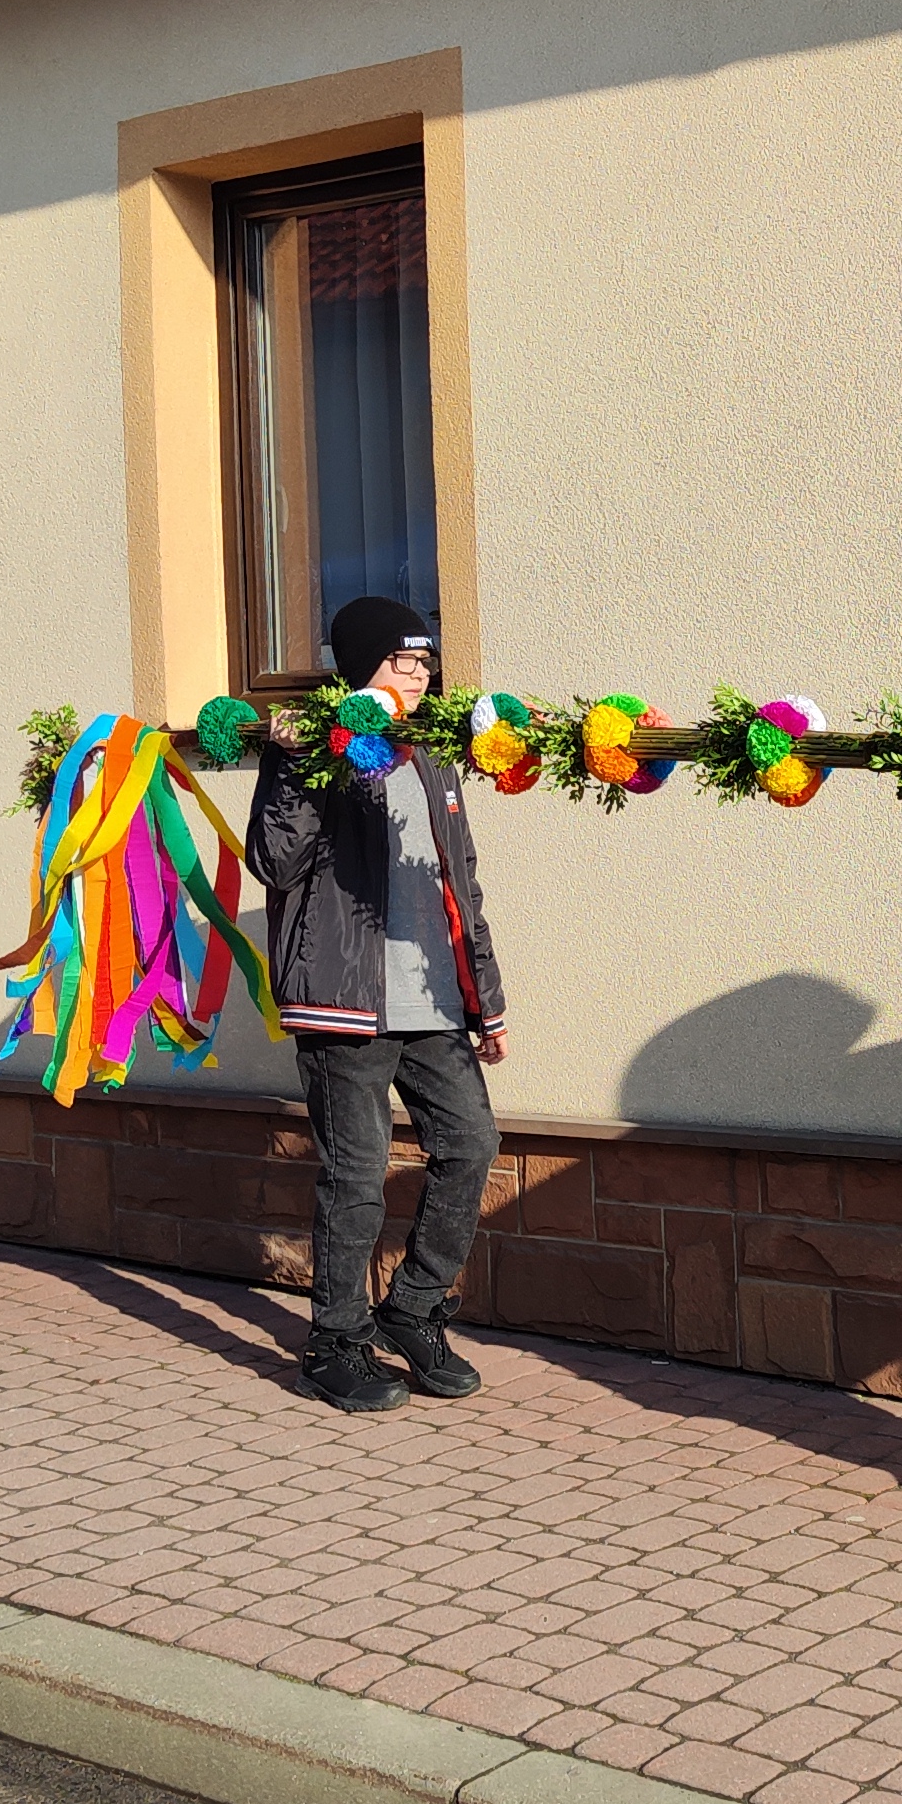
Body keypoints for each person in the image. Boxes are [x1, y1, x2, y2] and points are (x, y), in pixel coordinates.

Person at [244, 594, 507, 1413]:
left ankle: (415, 1309)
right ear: (363, 666)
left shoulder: (432, 759)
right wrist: (292, 766)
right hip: (346, 1005)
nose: (421, 676)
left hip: (431, 1005)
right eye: (404, 661)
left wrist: (486, 1003)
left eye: (427, 663)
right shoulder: (319, 754)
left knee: (471, 1145)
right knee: (357, 1177)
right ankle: (334, 1342)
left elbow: (460, 885)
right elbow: (272, 863)